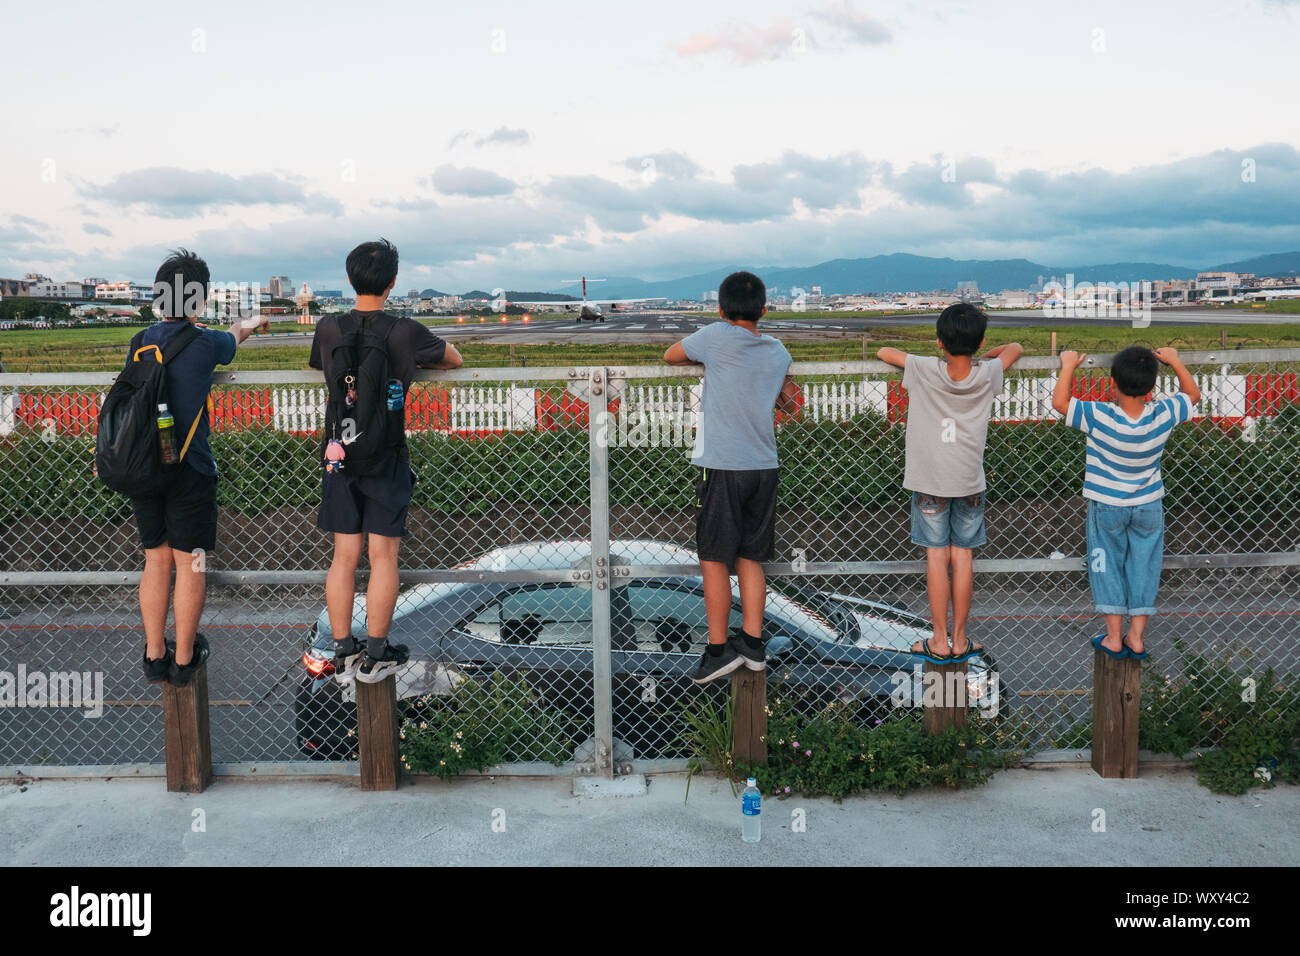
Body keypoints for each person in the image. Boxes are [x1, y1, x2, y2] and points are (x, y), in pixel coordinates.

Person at [309, 239, 462, 684]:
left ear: (350, 278)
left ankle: (342, 647)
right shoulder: (405, 330)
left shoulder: (328, 328)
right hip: (386, 457)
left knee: (343, 557)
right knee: (383, 556)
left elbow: (323, 366)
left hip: (338, 454)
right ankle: (377, 649)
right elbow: (453, 359)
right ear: (393, 282)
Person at [134, 249, 267, 686]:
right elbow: (234, 337)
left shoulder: (141, 342)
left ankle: (155, 654)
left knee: (156, 560)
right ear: (199, 300)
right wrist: (252, 321)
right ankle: (186, 657)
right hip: (188, 468)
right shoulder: (205, 342)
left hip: (144, 465)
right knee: (190, 563)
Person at [664, 271, 801, 683]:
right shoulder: (777, 350)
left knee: (713, 559)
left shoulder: (715, 336)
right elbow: (793, 404)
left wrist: (707, 355)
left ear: (721, 309)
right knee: (750, 558)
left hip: (723, 465)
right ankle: (753, 645)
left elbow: (671, 355)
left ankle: (718, 649)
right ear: (763, 309)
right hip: (764, 465)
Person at [877, 304, 1022, 663]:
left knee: (936, 556)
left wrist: (938, 356)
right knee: (963, 557)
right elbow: (1015, 348)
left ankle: (938, 639)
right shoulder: (987, 374)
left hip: (929, 480)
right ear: (981, 340)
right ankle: (960, 638)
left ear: (939, 342)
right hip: (970, 480)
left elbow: (884, 352)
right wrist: (984, 358)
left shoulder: (925, 368)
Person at [1052, 345, 1200, 659]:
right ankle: (1136, 635)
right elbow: (1192, 395)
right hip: (1148, 505)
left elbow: (1060, 403)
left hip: (1106, 505)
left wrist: (1068, 365)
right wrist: (1175, 361)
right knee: (1145, 565)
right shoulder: (1163, 414)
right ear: (1153, 387)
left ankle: (1114, 636)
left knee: (1106, 565)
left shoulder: (1100, 416)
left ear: (1113, 384)